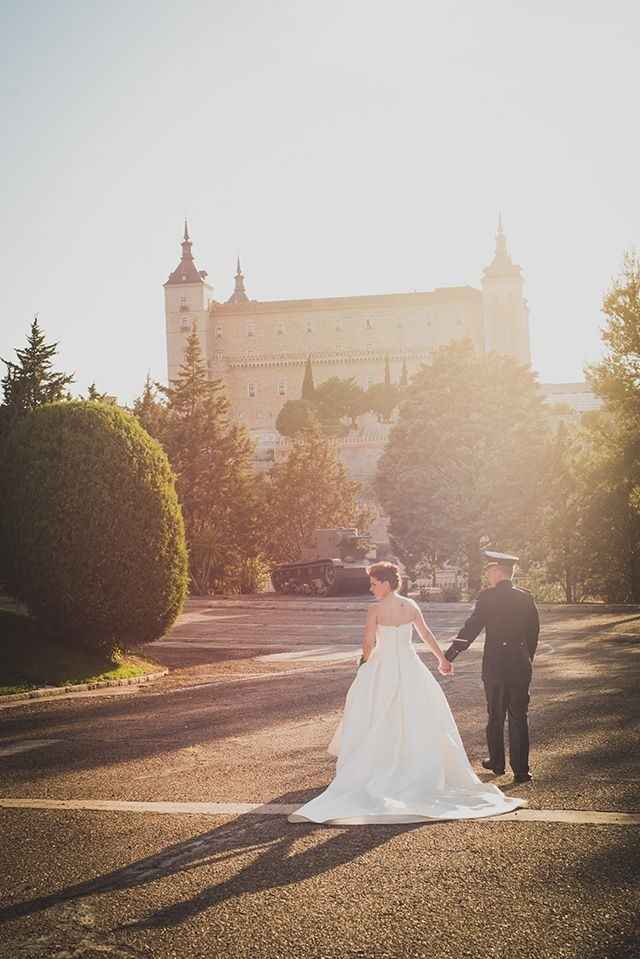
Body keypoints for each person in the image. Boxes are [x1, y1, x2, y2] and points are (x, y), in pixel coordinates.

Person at [288, 561, 527, 825]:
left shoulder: (376, 609)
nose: (371, 588)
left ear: (387, 583)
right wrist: (442, 660)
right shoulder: (411, 606)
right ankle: (411, 765)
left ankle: (379, 765)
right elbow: (425, 634)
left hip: (383, 666)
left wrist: (364, 662)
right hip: (411, 667)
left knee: (375, 714)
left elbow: (369, 642)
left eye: (374, 583)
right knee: (415, 715)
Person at [445, 551, 540, 785]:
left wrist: (450, 655)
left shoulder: (487, 597)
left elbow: (472, 627)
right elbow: (533, 633)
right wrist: (526, 658)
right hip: (520, 663)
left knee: (495, 714)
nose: (487, 576)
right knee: (519, 716)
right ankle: (521, 771)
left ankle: (497, 763)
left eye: (489, 572)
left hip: (496, 664)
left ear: (498, 572)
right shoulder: (525, 597)